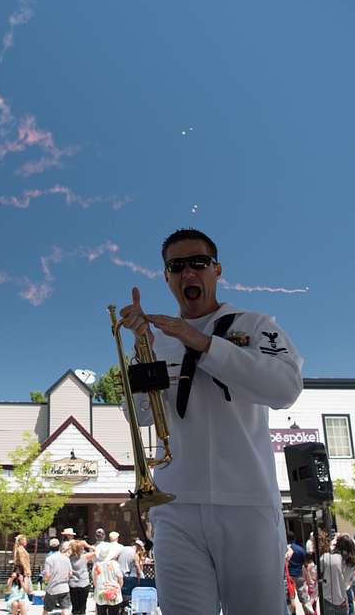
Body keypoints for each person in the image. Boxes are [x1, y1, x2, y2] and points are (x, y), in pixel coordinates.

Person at [119, 228, 304, 615]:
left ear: (217, 270)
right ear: (166, 277)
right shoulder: (159, 339)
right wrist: (142, 353)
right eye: (177, 266)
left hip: (246, 505)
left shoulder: (254, 324)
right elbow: (137, 415)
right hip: (175, 506)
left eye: (198, 263)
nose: (188, 273)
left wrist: (204, 344)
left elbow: (285, 387)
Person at [320, 534, 355, 615]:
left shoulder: (326, 557)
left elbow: (315, 575)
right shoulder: (352, 563)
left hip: (327, 597)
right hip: (342, 598)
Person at [91, 542, 124, 615]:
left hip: (100, 592)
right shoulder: (115, 564)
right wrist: (118, 588)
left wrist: (99, 587)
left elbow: (94, 581)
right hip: (114, 592)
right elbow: (120, 579)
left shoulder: (96, 565)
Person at [44, 537, 73, 615]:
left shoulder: (49, 559)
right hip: (64, 588)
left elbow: (47, 575)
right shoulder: (66, 558)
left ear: (49, 547)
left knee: (46, 610)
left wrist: (46, 582)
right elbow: (70, 573)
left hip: (52, 588)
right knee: (65, 609)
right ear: (59, 546)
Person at [67, 537, 95, 615]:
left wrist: (72, 546)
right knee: (83, 606)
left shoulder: (68, 558)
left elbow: (63, 551)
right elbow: (97, 551)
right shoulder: (85, 557)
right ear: (81, 548)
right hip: (84, 583)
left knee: (74, 606)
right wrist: (88, 546)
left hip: (72, 583)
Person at [287, 531, 307, 595]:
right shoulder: (300, 549)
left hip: (289, 574)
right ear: (294, 538)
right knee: (302, 593)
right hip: (299, 573)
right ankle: (304, 605)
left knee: (291, 594)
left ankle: (293, 603)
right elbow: (305, 562)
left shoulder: (284, 549)